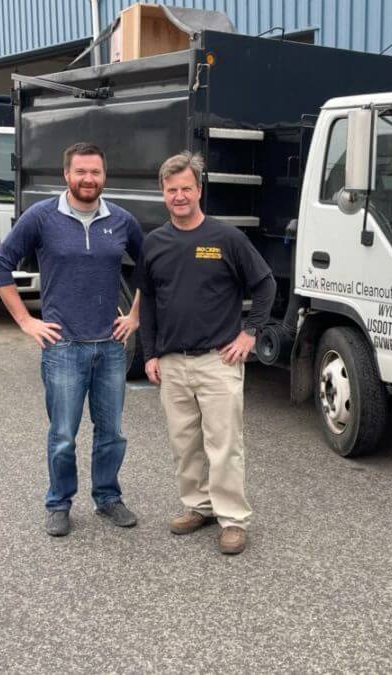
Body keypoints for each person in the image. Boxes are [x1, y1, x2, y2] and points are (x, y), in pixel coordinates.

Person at [0, 142, 143, 537]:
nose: (88, 179)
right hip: (63, 349)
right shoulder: (41, 217)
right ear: (66, 175)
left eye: (95, 172)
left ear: (104, 175)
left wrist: (136, 315)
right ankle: (59, 502)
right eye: (81, 172)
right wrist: (26, 321)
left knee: (112, 434)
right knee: (62, 435)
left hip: (110, 348)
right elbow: (0, 264)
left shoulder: (122, 221)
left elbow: (151, 268)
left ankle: (107, 498)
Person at [137, 151, 276, 555]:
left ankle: (233, 519)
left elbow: (265, 285)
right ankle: (198, 506)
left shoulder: (226, 238)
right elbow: (148, 303)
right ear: (163, 193)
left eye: (186, 188)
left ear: (199, 190)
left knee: (224, 444)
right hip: (172, 363)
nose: (179, 196)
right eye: (171, 190)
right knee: (185, 443)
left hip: (219, 361)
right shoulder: (155, 243)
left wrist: (251, 333)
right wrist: (150, 354)